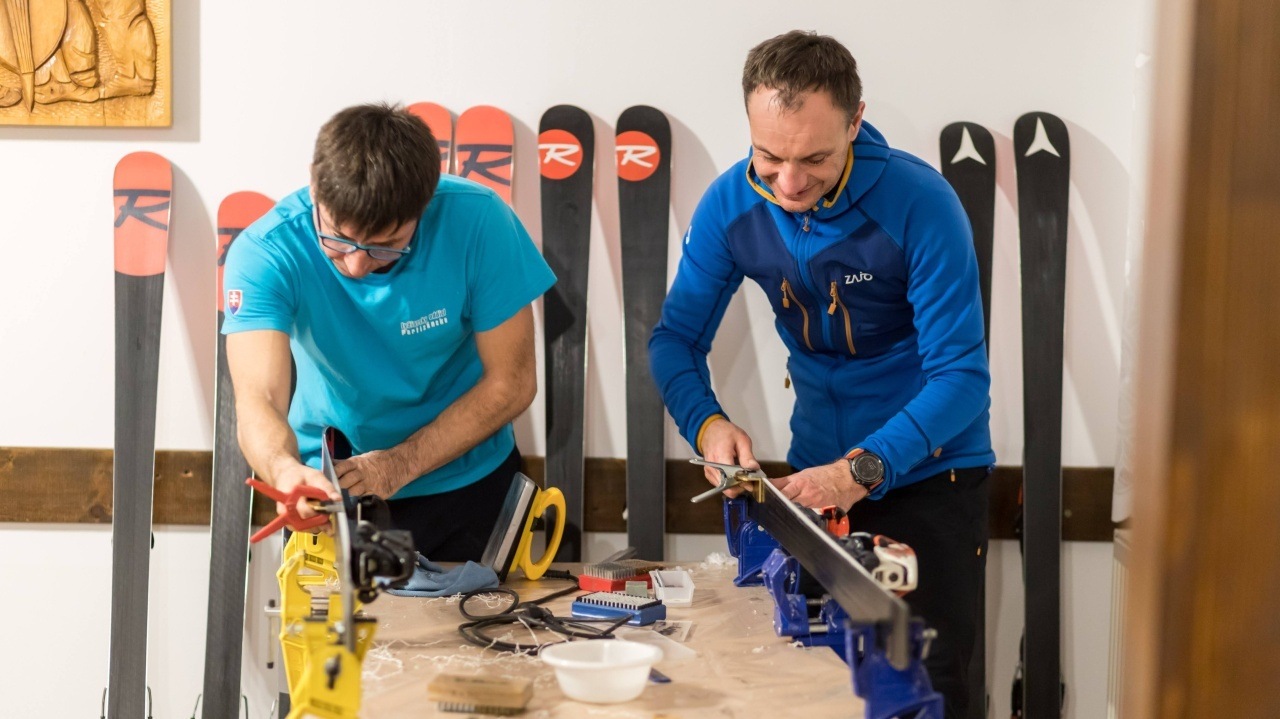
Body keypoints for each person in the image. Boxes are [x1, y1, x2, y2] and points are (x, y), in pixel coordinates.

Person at [649, 31, 994, 718]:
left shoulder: (921, 203)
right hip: (814, 486)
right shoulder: (731, 206)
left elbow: (962, 377)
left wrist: (861, 469)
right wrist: (708, 426)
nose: (789, 183)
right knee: (816, 689)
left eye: (814, 158)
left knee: (926, 690)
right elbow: (674, 341)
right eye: (769, 156)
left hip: (931, 479)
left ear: (855, 121)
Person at [223, 103, 555, 560]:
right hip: (335, 486)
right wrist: (283, 471)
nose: (357, 265)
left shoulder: (480, 221)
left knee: (478, 610)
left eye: (386, 246)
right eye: (337, 239)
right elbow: (258, 397)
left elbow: (512, 382)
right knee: (336, 612)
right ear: (315, 185)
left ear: (425, 205)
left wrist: (400, 463)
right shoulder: (267, 251)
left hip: (468, 480)